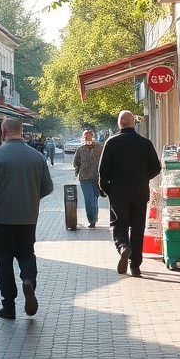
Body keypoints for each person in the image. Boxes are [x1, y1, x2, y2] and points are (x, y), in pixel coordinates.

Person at [0, 116, 54, 319]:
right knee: (27, 253)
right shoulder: (36, 156)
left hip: (3, 217)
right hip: (28, 217)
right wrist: (30, 197)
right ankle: (29, 280)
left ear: (3, 131)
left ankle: (9, 306)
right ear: (21, 131)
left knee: (3, 260)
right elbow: (48, 187)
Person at [98, 111, 161, 277]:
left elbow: (103, 171)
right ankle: (135, 265)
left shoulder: (111, 142)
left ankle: (123, 246)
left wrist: (105, 189)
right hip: (140, 192)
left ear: (120, 124)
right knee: (138, 227)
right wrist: (143, 178)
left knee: (119, 224)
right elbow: (156, 167)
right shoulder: (145, 143)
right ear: (133, 123)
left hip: (118, 192)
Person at [73, 129, 104, 228]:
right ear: (83, 138)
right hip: (84, 178)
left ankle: (94, 217)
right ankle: (91, 219)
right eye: (85, 136)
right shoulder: (80, 149)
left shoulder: (100, 148)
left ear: (93, 136)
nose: (87, 138)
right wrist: (78, 169)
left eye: (89, 136)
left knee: (95, 198)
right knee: (88, 199)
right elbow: (75, 162)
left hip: (97, 177)